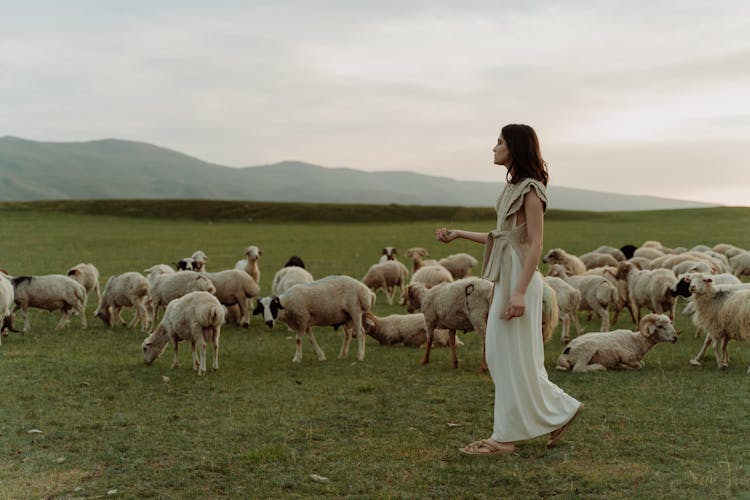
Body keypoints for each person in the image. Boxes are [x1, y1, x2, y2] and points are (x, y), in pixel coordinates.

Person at [435, 124, 583, 455]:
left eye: (499, 142)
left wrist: (519, 291)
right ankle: (559, 411)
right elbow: (502, 236)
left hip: (519, 277)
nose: (494, 147)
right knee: (507, 355)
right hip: (507, 274)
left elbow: (534, 243)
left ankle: (505, 438)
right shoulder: (512, 188)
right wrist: (459, 233)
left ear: (514, 147)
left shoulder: (531, 189)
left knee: (507, 355)